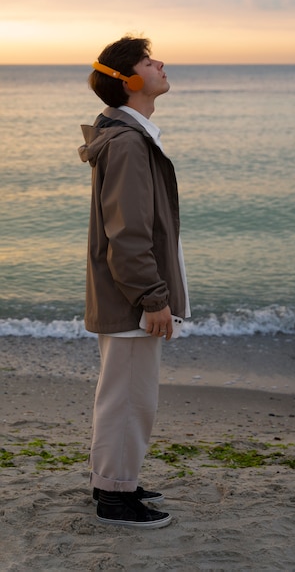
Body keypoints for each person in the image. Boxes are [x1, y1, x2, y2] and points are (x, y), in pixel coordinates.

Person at [78, 35, 190, 528]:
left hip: (127, 296)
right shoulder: (126, 142)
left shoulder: (131, 136)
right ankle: (114, 500)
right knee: (128, 400)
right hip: (130, 300)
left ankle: (114, 480)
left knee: (125, 396)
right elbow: (127, 234)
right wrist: (152, 297)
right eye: (148, 60)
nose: (160, 63)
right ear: (128, 81)